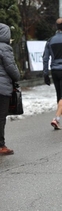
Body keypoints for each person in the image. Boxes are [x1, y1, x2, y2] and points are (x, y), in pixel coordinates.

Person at [0, 23, 20, 155]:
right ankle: (1, 145)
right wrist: (17, 77)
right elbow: (11, 67)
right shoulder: (4, 48)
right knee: (1, 117)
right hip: (2, 88)